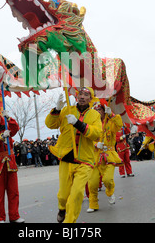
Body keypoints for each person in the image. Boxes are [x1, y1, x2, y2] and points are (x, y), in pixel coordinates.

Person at [45, 87, 102, 223]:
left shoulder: (95, 115)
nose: (82, 97)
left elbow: (96, 134)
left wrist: (78, 124)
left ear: (91, 99)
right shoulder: (67, 110)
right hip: (66, 158)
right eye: (80, 94)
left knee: (77, 194)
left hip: (85, 161)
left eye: (86, 95)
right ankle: (61, 208)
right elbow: (50, 124)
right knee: (63, 196)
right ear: (76, 96)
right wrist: (57, 109)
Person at [0, 109, 25, 223]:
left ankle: (14, 216)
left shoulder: (7, 128)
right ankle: (0, 218)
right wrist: (2, 137)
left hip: (10, 164)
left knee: (14, 192)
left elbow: (15, 128)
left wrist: (9, 118)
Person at [87, 99, 123, 212]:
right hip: (95, 156)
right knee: (92, 183)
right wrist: (95, 144)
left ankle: (110, 192)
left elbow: (119, 125)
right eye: (95, 110)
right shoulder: (91, 124)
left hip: (109, 155)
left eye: (99, 109)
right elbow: (86, 137)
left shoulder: (110, 122)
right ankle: (93, 204)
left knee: (108, 179)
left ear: (104, 111)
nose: (98, 112)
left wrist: (111, 115)